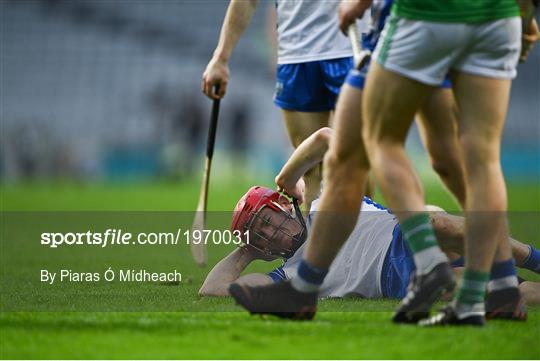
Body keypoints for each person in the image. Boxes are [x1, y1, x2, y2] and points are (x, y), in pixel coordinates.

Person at [209, 128, 540, 307]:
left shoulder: (326, 198)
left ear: (281, 203)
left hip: (404, 234)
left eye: (267, 218)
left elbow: (325, 138)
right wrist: (246, 250)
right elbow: (214, 290)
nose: (272, 231)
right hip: (397, 280)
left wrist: (287, 176)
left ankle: (535, 258)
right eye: (262, 233)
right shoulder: (288, 274)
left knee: (435, 222)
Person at [201, 0, 367, 210]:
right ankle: (316, 237)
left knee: (355, 159)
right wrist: (221, 57)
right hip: (295, 55)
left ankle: (365, 238)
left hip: (350, 48)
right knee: (311, 168)